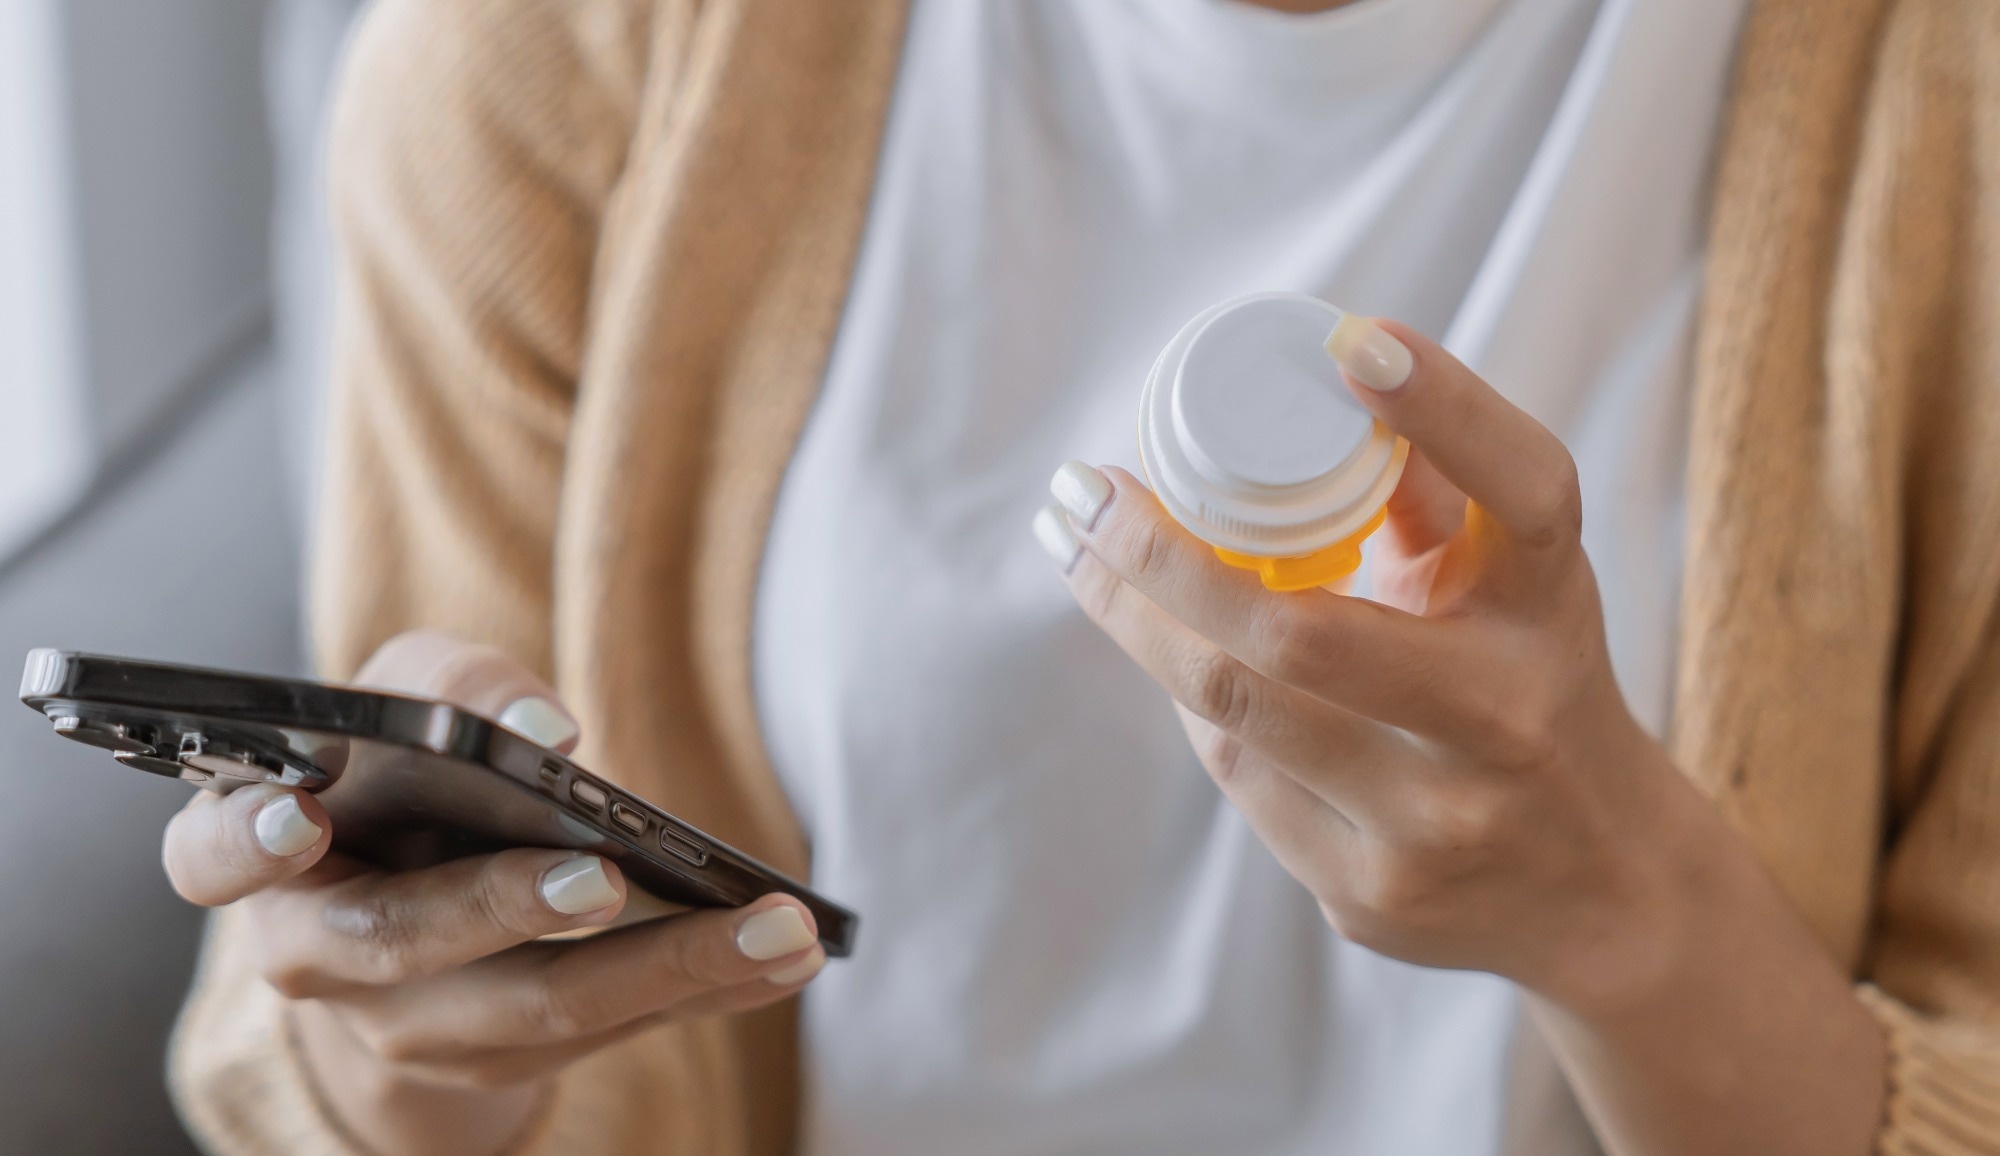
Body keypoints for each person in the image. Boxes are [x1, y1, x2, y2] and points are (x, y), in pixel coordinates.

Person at [160, 0, 2000, 1153]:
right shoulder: (553, 59)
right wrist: (407, 1076)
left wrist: (1634, 915)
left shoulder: (1943, 111)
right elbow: (392, 980)